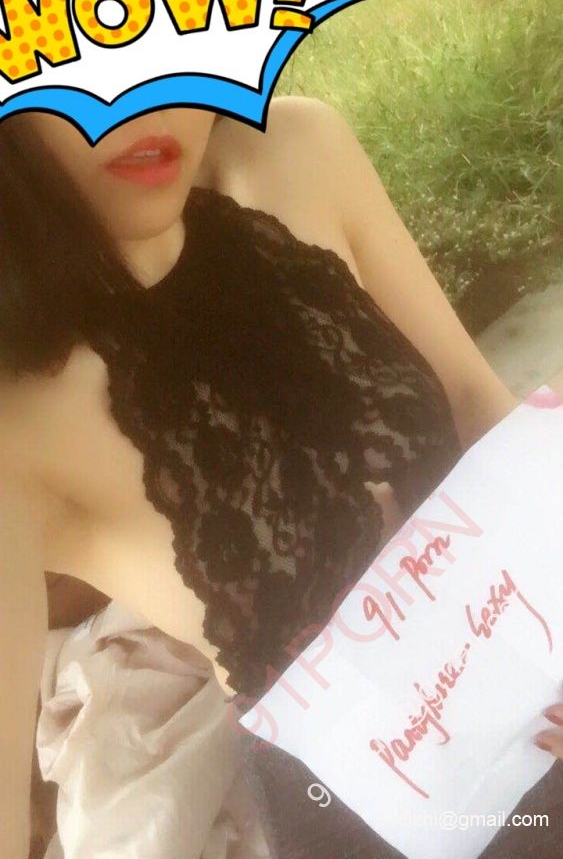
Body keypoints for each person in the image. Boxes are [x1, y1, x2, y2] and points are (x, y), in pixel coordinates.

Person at [2, 95, 562, 859]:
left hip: (533, 662)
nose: (143, 102)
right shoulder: (15, 424)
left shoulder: (294, 150)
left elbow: (474, 405)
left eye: (172, 35)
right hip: (384, 815)